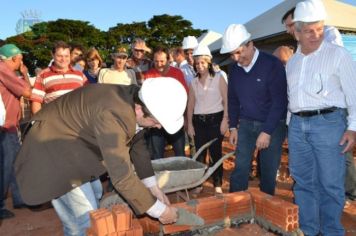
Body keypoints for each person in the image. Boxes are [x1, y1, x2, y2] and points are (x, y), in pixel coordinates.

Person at [15, 77, 187, 235]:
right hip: (53, 152)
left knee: (96, 195)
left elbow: (138, 144)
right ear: (140, 109)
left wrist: (153, 188)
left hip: (75, 145)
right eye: (156, 122)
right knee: (85, 219)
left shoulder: (134, 97)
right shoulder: (112, 114)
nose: (157, 127)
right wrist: (161, 211)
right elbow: (122, 177)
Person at [286, 1, 356, 235]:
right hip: (297, 126)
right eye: (308, 31)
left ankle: (332, 231)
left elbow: (353, 93)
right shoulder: (293, 62)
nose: (316, 35)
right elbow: (291, 97)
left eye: (319, 28)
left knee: (330, 184)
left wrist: (353, 128)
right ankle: (309, 229)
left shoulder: (339, 55)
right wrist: (290, 125)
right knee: (303, 182)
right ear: (297, 32)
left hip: (328, 124)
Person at [220, 24, 288, 195]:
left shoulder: (272, 65)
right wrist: (233, 127)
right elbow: (233, 100)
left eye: (238, 52)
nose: (235, 58)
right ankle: (236, 204)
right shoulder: (234, 69)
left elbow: (279, 102)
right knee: (241, 166)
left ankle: (266, 207)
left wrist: (267, 131)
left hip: (273, 124)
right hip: (247, 124)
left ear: (250, 44)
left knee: (268, 169)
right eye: (232, 54)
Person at [187, 44, 228, 194]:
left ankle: (217, 183)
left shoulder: (219, 78)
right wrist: (190, 125)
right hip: (199, 122)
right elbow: (190, 104)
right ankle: (199, 183)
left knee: (216, 153)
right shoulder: (193, 82)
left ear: (208, 62)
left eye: (202, 62)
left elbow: (226, 100)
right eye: (197, 63)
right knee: (199, 154)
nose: (199, 66)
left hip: (216, 120)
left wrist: (225, 120)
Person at [0, 44, 32, 219]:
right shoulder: (3, 69)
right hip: (5, 126)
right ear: (13, 58)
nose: (22, 62)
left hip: (9, 125)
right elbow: (27, 91)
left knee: (14, 163)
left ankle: (20, 198)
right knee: (5, 166)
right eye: (20, 59)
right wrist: (23, 74)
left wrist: (25, 73)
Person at [144, 47, 188, 160]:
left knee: (180, 154)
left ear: (168, 59)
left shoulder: (177, 73)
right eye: (156, 61)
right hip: (156, 122)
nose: (159, 64)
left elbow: (184, 95)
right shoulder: (149, 74)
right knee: (157, 156)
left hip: (175, 121)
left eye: (162, 61)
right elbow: (146, 98)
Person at [31, 41, 87, 114]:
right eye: (59, 56)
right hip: (54, 122)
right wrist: (37, 122)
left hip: (77, 121)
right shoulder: (43, 75)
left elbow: (88, 95)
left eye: (66, 56)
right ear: (53, 55)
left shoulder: (79, 73)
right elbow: (36, 101)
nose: (63, 59)